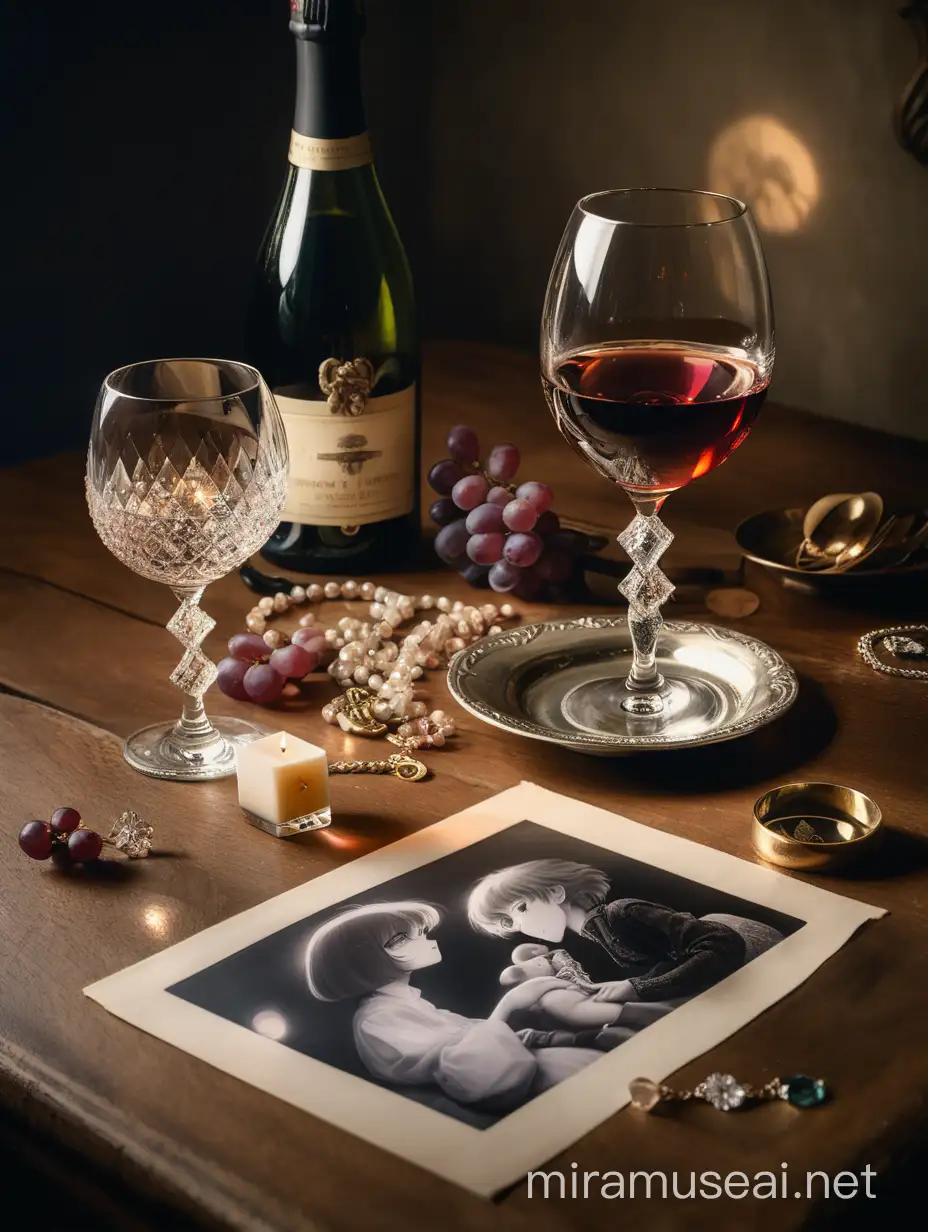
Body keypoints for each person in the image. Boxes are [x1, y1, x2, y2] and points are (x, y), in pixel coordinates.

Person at [305, 900, 599, 1111]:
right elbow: (485, 1076)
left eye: (421, 932)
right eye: (401, 940)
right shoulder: (379, 1019)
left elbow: (470, 1039)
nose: (428, 941)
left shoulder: (405, 1004)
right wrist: (509, 1005)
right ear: (363, 961)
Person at [467, 859, 783, 1004]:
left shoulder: (623, 913)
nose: (523, 927)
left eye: (521, 909)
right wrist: (629, 986)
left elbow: (722, 943)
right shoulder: (597, 932)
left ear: (556, 893)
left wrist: (638, 989)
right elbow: (664, 962)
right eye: (511, 923)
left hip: (759, 953)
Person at [497, 943, 674, 1051]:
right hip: (575, 1006)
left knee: (635, 1010)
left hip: (578, 1003)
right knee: (624, 1013)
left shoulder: (543, 980)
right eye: (541, 961)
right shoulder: (539, 988)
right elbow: (551, 983)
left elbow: (559, 980)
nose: (545, 960)